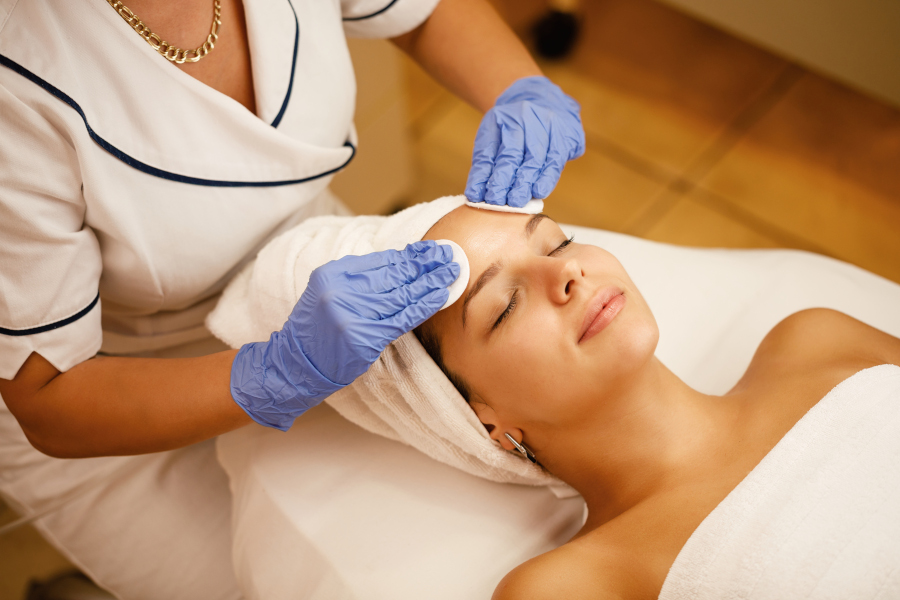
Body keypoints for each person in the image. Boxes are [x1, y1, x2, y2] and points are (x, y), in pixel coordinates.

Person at [0, 0, 584, 596]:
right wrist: (278, 373)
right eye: (501, 307)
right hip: (113, 398)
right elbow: (49, 398)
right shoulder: (16, 80)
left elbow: (422, 12)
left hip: (306, 279)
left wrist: (521, 90)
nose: (570, 281)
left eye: (559, 245)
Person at [412, 205, 900, 599]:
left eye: (557, 242)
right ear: (486, 423)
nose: (567, 270)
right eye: (506, 306)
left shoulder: (816, 341)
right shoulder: (573, 585)